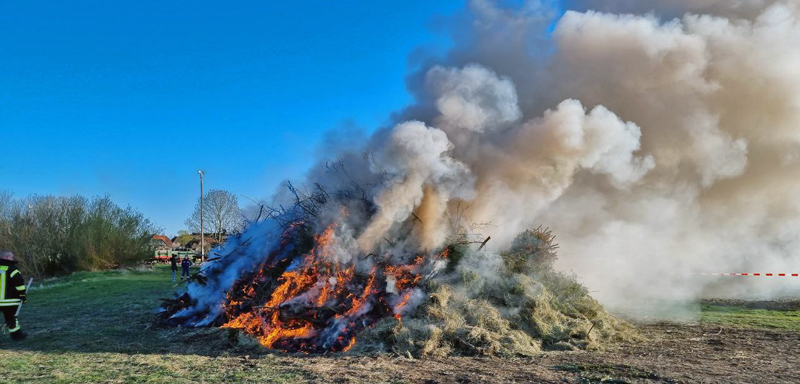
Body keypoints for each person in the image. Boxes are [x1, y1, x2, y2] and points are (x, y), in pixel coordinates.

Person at [0, 251, 28, 341]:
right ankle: (16, 336)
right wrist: (22, 295)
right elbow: (19, 283)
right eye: (12, 257)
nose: (13, 258)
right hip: (9, 301)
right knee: (11, 318)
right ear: (7, 257)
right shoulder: (12, 269)